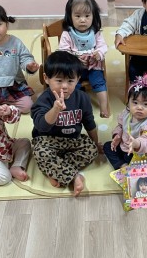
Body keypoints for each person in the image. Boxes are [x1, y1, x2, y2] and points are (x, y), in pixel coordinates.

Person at [31, 51, 101, 196]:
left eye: (70, 81)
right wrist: (55, 109)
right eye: (59, 80)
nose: (64, 86)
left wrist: (95, 143)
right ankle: (74, 176)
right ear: (46, 78)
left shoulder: (82, 98)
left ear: (78, 79)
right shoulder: (43, 100)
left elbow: (89, 122)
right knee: (40, 153)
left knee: (91, 150)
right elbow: (42, 126)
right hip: (47, 140)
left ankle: (56, 170)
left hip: (73, 140)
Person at [58, 0, 110, 118]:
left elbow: (103, 46)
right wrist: (74, 58)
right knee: (72, 85)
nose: (82, 20)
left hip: (93, 67)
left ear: (93, 16)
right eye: (78, 16)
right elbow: (63, 51)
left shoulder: (95, 32)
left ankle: (104, 108)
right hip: (74, 69)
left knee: (99, 83)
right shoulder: (67, 33)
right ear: (70, 16)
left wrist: (98, 53)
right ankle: (73, 108)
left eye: (87, 16)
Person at [103, 60, 147, 170]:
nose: (139, 107)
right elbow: (121, 126)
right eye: (135, 103)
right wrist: (117, 136)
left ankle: (141, 168)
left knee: (143, 168)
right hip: (126, 147)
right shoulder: (126, 113)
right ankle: (123, 165)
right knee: (107, 146)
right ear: (129, 102)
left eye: (145, 104)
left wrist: (136, 143)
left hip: (144, 153)